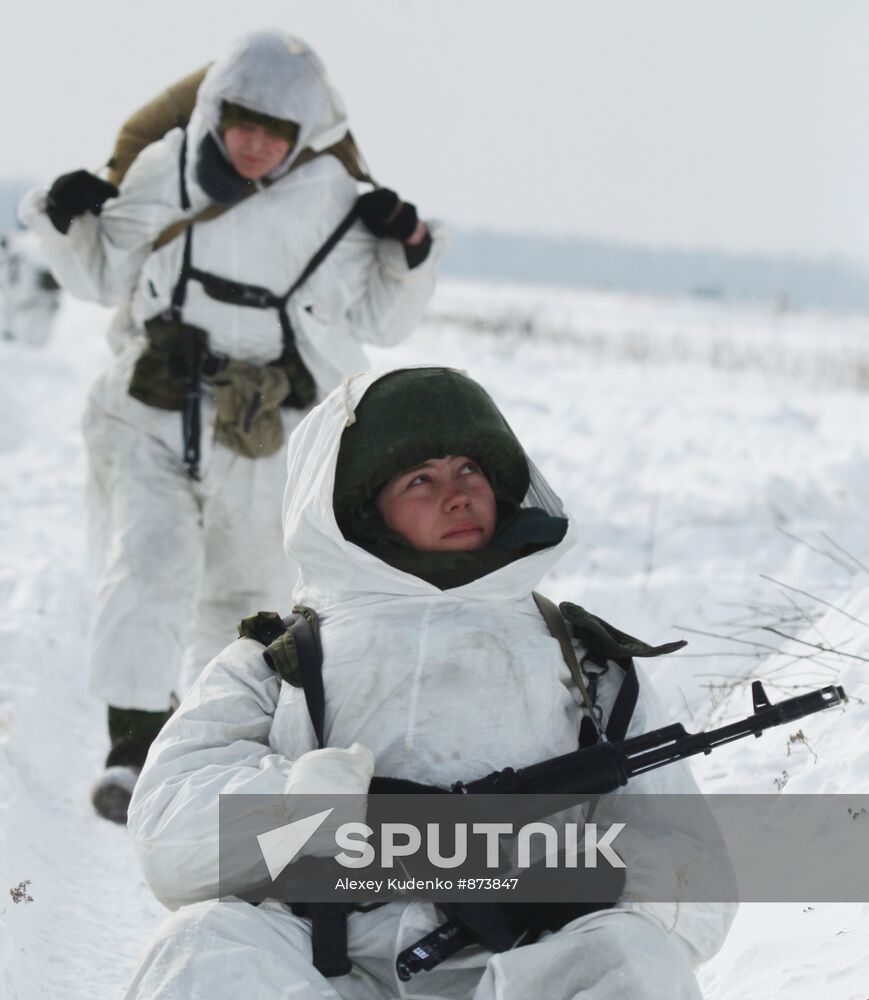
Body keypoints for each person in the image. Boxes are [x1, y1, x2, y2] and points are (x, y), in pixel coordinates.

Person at [124, 367, 735, 999]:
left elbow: (700, 885)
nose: (457, 495)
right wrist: (300, 802)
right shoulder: (279, 656)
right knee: (200, 949)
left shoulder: (587, 661)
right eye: (421, 479)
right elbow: (169, 838)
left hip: (522, 971)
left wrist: (590, 875)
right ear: (365, 511)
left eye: (469, 469)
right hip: (317, 968)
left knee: (634, 960)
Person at [17, 31, 446, 821]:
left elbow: (385, 322)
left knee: (245, 596)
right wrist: (68, 213)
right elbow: (99, 274)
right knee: (146, 560)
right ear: (216, 112)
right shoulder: (166, 169)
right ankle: (131, 745)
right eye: (241, 123)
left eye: (273, 131)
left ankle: (214, 751)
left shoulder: (336, 204)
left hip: (267, 428)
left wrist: (407, 246)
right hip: (152, 407)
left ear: (300, 136)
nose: (252, 144)